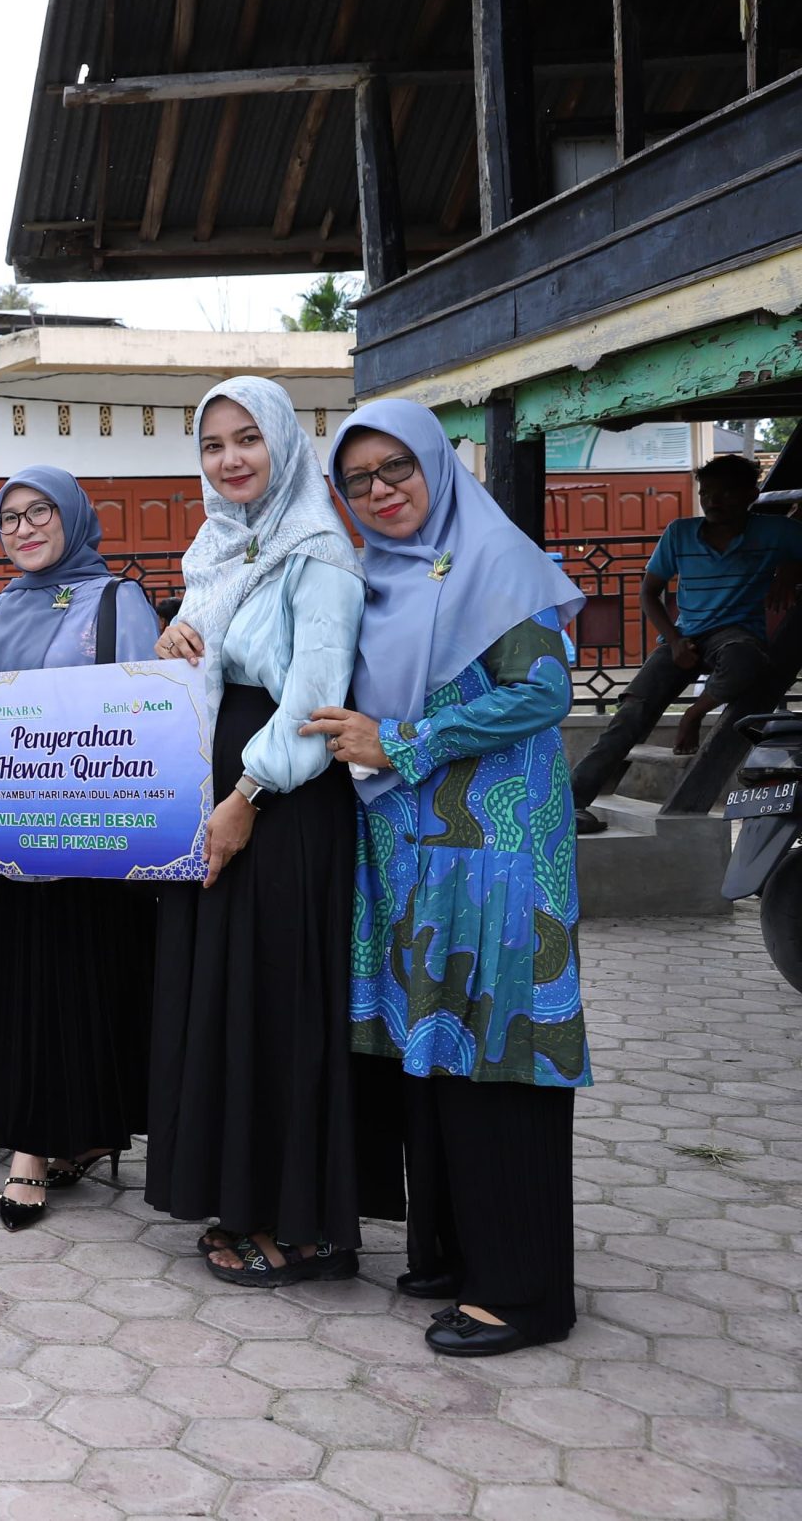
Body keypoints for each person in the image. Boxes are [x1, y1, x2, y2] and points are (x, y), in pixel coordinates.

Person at [304, 401, 589, 1358]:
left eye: (397, 470)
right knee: (434, 1054)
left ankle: (526, 1292)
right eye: (359, 481)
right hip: (413, 855)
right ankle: (454, 1254)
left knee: (498, 1050)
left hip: (500, 857)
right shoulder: (381, 579)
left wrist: (404, 740)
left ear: (436, 465)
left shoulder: (495, 562)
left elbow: (544, 691)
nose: (381, 491)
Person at [147, 379, 394, 1286]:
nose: (231, 459)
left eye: (248, 439)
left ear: (285, 445)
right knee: (226, 997)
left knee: (281, 1001)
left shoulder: (319, 553)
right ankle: (243, 1197)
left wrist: (246, 795)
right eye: (213, 444)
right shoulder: (215, 548)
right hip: (215, 797)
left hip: (282, 806)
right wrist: (178, 638)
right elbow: (211, 652)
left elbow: (314, 702)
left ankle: (313, 1231)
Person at [0, 467, 160, 1229]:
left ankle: (44, 1148)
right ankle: (56, 1140)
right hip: (10, 843)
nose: (26, 529)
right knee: (21, 991)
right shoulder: (3, 608)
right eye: (10, 519)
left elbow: (144, 705)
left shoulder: (116, 599)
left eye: (41, 513)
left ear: (72, 517)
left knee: (79, 988)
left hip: (90, 844)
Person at [572, 454, 802, 831]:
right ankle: (573, 803)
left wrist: (790, 570)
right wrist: (675, 641)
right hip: (684, 636)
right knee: (630, 714)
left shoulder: (773, 532)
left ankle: (694, 715)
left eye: (725, 493)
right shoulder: (680, 532)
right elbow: (650, 592)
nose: (713, 500)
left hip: (734, 635)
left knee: (747, 660)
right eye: (706, 492)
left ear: (750, 495)